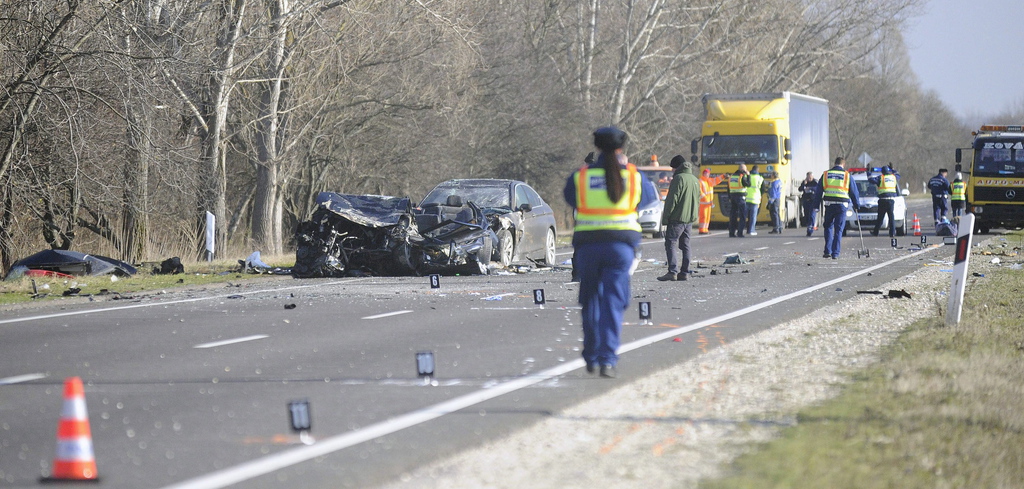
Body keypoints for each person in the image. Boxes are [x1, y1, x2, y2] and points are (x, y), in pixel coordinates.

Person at [563, 126, 658, 378]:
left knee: (590, 300)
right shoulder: (634, 176)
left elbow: (571, 200)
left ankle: (591, 355)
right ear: (621, 148)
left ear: (595, 146)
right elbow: (647, 200)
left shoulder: (580, 177)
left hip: (588, 247)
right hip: (621, 247)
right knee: (613, 303)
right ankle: (607, 359)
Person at [658, 155, 700, 282]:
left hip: (677, 218)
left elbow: (672, 200)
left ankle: (672, 271)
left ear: (677, 167)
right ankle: (685, 272)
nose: (672, 171)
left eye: (672, 168)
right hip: (689, 219)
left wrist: (665, 219)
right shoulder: (694, 179)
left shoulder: (678, 178)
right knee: (686, 245)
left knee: (670, 243)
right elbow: (697, 200)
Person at [815, 157, 860, 259]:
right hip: (842, 206)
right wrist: (856, 205)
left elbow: (818, 192)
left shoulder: (826, 174)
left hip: (829, 204)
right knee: (839, 230)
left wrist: (816, 206)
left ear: (834, 164)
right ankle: (835, 253)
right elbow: (854, 192)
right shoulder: (847, 175)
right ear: (843, 165)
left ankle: (827, 251)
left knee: (828, 227)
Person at [869, 166, 899, 237]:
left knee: (880, 218)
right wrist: (893, 169)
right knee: (891, 217)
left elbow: (871, 180)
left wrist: (868, 172)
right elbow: (898, 175)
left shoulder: (881, 178)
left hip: (882, 200)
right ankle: (892, 233)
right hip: (891, 200)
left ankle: (875, 232)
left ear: (882, 172)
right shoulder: (893, 177)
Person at [698, 167, 727, 234]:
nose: (707, 175)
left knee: (707, 217)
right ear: (703, 174)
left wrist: (723, 176)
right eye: (705, 173)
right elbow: (699, 191)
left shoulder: (709, 181)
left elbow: (716, 180)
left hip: (709, 203)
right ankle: (702, 229)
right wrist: (705, 198)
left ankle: (705, 229)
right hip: (703, 202)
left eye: (707, 173)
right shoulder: (701, 181)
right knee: (703, 216)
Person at [727, 164, 748, 237]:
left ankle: (731, 232)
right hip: (740, 197)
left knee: (733, 215)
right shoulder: (742, 177)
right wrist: (748, 176)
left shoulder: (732, 177)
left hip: (733, 197)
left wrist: (729, 197)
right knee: (742, 215)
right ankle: (740, 232)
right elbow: (748, 184)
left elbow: (728, 188)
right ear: (743, 170)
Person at [744, 165, 765, 236]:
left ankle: (745, 229)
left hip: (746, 198)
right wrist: (759, 195)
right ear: (758, 170)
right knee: (753, 216)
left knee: (745, 216)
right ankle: (751, 230)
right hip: (755, 199)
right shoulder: (760, 178)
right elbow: (763, 189)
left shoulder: (747, 176)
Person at [798, 171, 818, 236]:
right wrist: (804, 184)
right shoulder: (805, 182)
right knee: (807, 215)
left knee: (812, 215)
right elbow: (800, 189)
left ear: (812, 177)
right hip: (806, 201)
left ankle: (810, 230)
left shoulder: (815, 182)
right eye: (808, 177)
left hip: (813, 201)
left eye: (810, 177)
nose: (809, 178)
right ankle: (809, 226)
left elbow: (817, 188)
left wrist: (810, 188)